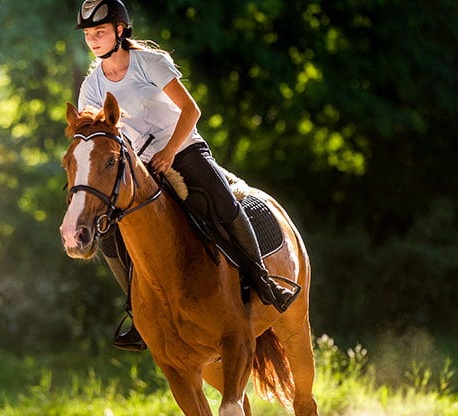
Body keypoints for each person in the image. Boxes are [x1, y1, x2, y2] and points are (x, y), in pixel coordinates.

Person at [73, 0, 298, 351]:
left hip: (183, 148)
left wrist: (169, 152)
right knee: (108, 235)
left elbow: (191, 110)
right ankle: (136, 310)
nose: (93, 40)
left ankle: (264, 280)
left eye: (99, 32)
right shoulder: (91, 86)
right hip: (138, 166)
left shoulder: (150, 63)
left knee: (222, 204)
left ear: (120, 30)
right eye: (88, 34)